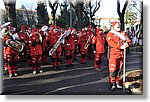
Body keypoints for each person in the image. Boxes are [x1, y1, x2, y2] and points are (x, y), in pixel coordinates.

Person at [106, 22, 131, 91]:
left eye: (119, 25)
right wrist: (120, 46)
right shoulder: (110, 34)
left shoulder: (123, 33)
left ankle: (117, 82)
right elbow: (111, 43)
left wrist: (127, 44)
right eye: (117, 25)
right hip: (113, 54)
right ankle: (112, 83)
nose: (118, 26)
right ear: (113, 26)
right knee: (113, 69)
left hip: (121, 54)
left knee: (119, 69)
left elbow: (128, 40)